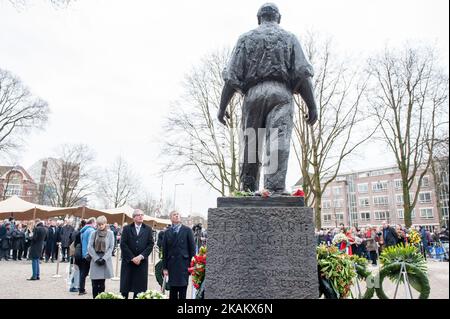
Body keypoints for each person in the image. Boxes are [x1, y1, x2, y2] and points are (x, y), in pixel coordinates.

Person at [217, 3, 317, 193]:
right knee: (277, 139)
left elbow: (231, 76)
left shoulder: (245, 39)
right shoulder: (289, 38)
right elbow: (302, 73)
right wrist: (311, 105)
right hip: (281, 94)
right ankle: (273, 187)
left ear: (258, 19)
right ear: (278, 18)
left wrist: (222, 108)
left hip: (253, 95)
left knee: (251, 141)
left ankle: (247, 188)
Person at [120, 209, 154, 299]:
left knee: (139, 291)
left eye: (142, 215)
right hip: (128, 262)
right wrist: (132, 258)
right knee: (125, 288)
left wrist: (140, 257)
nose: (140, 216)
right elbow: (123, 244)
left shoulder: (148, 229)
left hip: (141, 263)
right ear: (133, 217)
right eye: (138, 215)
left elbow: (150, 244)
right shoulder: (127, 229)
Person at [162, 211, 195, 300]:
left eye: (178, 214)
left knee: (183, 292)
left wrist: (193, 266)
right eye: (174, 214)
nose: (176, 216)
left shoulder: (187, 230)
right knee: (172, 292)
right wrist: (164, 268)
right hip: (171, 266)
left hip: (183, 265)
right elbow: (164, 251)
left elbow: (192, 249)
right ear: (171, 218)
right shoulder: (167, 232)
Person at [87, 216, 114, 298]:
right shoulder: (93, 233)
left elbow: (111, 247)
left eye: (102, 224)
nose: (100, 226)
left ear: (105, 224)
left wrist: (104, 258)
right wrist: (96, 258)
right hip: (95, 260)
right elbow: (90, 247)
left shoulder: (110, 234)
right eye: (99, 224)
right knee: (94, 284)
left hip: (104, 260)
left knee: (102, 284)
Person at [78, 217, 96, 295]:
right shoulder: (91, 230)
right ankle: (82, 290)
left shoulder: (83, 230)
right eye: (95, 223)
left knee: (83, 272)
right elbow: (91, 243)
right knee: (88, 272)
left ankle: (81, 288)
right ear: (92, 222)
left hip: (83, 253)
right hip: (88, 254)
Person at [69, 219, 86, 293]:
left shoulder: (76, 232)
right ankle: (73, 286)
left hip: (75, 253)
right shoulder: (80, 233)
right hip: (77, 253)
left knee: (75, 270)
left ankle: (74, 285)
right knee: (76, 270)